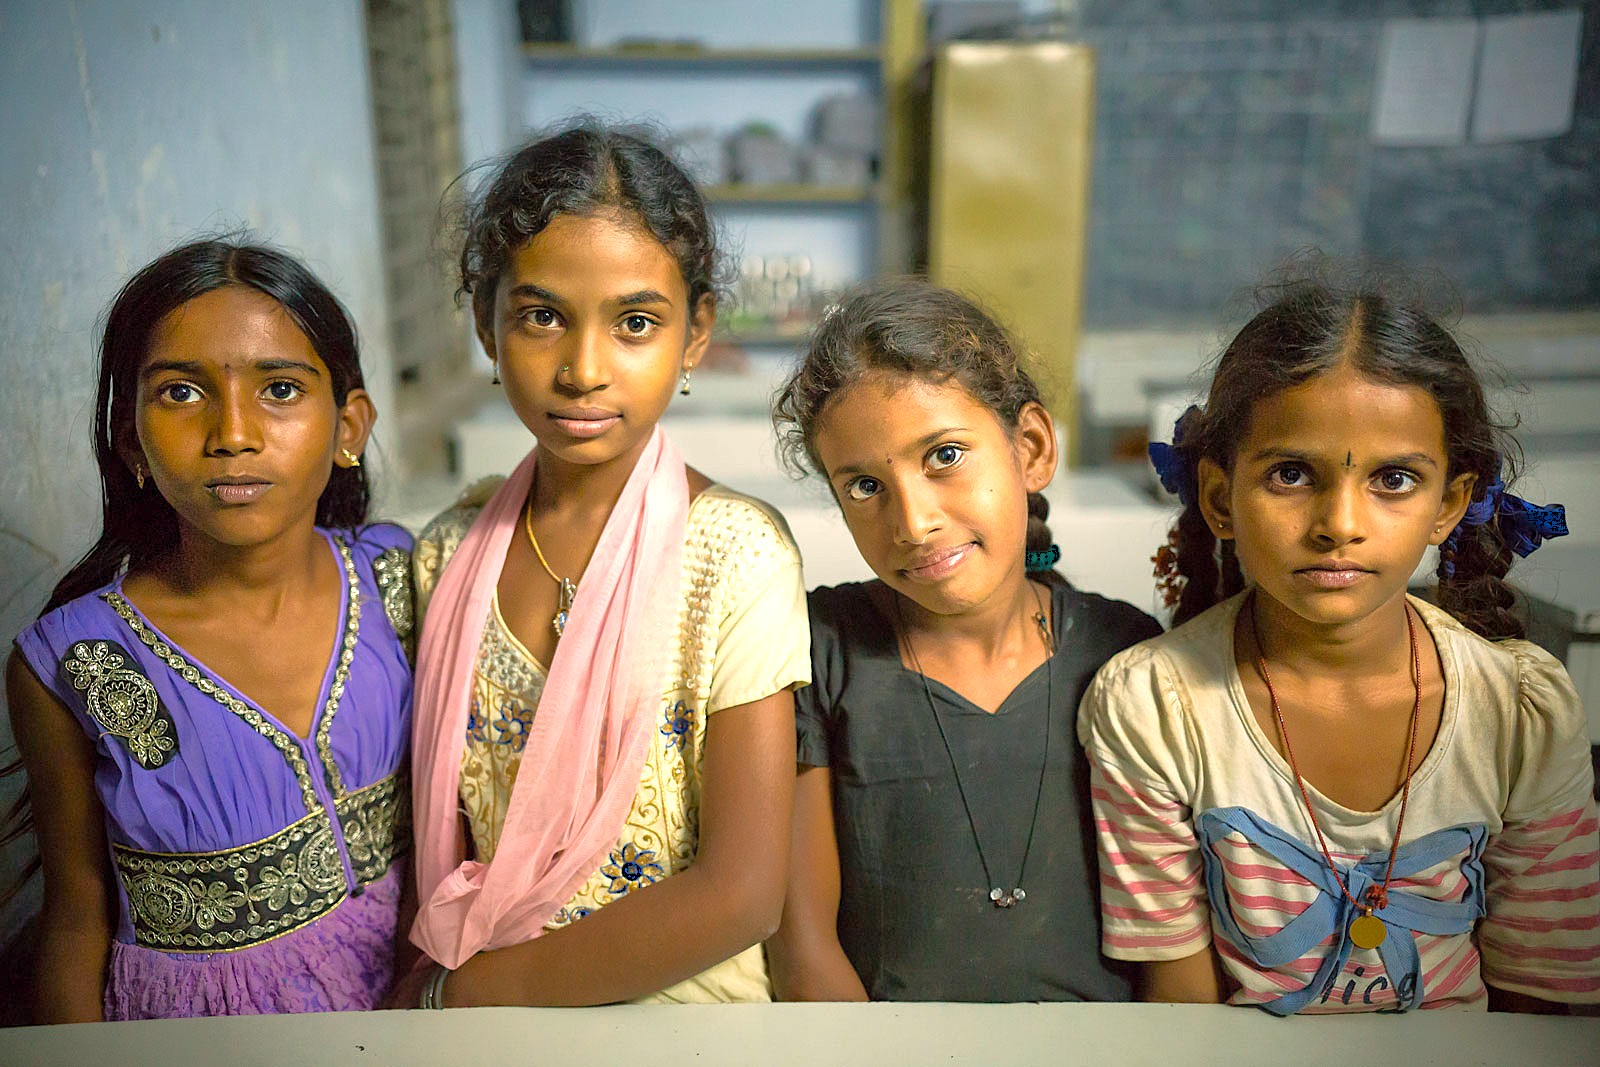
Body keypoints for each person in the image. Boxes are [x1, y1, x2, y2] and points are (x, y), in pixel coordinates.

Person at [1081, 275, 1599, 1014]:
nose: (1339, 522)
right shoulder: (1154, 706)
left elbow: (1546, 1000)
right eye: (1292, 473)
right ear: (1221, 498)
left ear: (1448, 505)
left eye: (1393, 478)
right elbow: (1181, 1009)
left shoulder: (1520, 711)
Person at [402, 124, 808, 1008]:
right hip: (491, 1026)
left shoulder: (735, 557)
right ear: (486, 322)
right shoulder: (446, 556)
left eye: (634, 322)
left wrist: (465, 999)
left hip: (686, 1022)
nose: (583, 370)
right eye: (542, 315)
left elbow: (742, 892)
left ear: (696, 331)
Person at [6, 239, 415, 1021]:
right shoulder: (75, 663)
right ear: (131, 441)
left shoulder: (397, 580)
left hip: (415, 999)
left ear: (348, 427)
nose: (233, 432)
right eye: (182, 393)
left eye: (281, 389)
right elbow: (76, 921)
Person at [765, 278, 1159, 1001]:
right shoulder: (817, 651)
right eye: (861, 487)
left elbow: (1168, 943)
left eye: (944, 456)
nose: (912, 522)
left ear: (1032, 447)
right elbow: (803, 947)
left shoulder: (1125, 655)